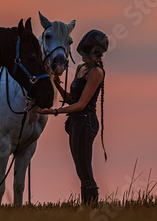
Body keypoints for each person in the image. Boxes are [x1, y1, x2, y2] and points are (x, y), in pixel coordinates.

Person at [36, 29, 108, 205]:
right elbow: (72, 99)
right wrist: (57, 86)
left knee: (85, 169)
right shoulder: (81, 68)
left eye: (86, 54)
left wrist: (54, 112)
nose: (82, 57)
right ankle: (88, 206)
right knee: (79, 169)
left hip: (86, 121)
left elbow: (82, 104)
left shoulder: (96, 73)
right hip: (76, 121)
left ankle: (91, 207)